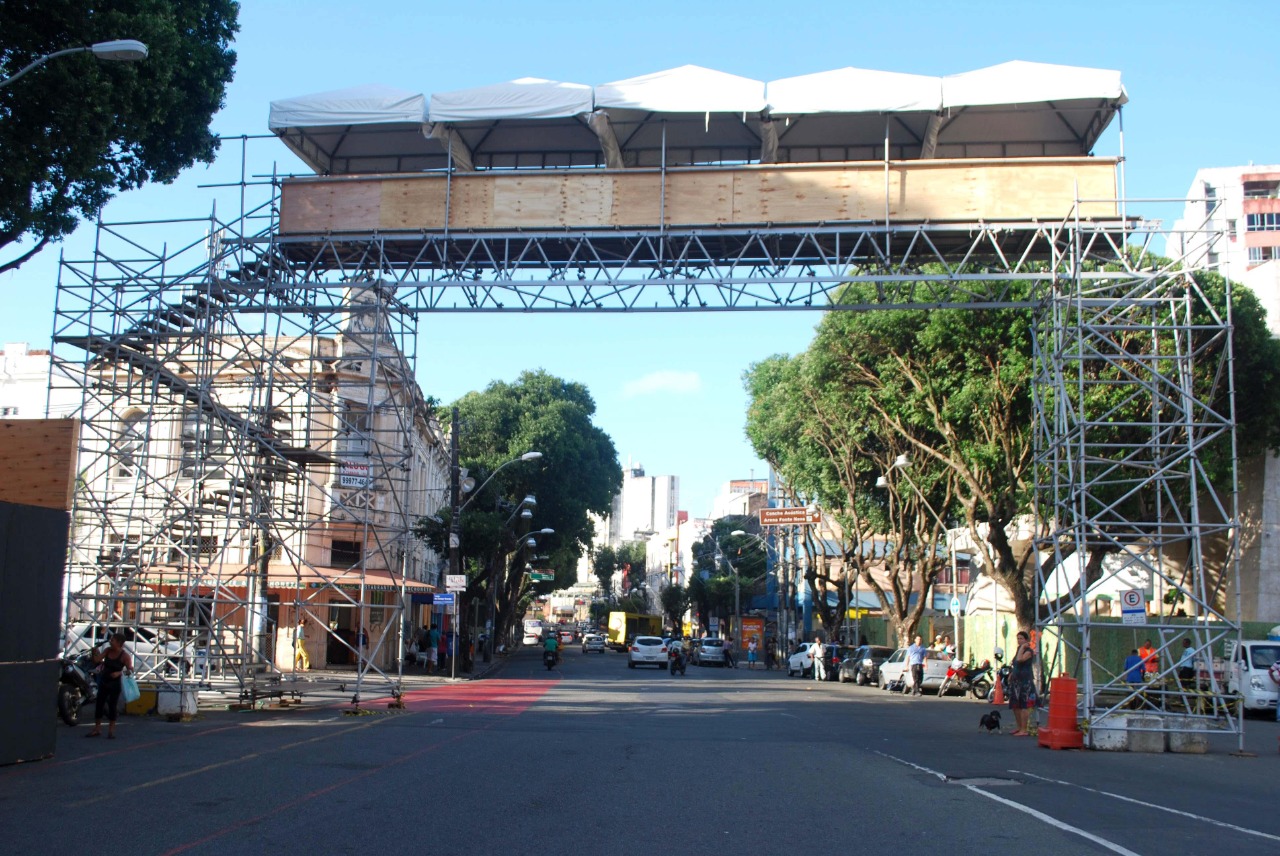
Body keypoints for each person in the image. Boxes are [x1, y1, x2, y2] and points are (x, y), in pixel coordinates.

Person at [87, 632, 133, 739]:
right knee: (99, 704)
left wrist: (119, 673)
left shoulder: (125, 656)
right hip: (104, 680)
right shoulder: (108, 651)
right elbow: (96, 660)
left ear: (119, 643)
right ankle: (97, 728)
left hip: (115, 683)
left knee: (112, 705)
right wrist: (95, 653)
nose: (110, 642)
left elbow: (130, 670)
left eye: (112, 640)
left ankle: (111, 730)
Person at [1008, 630, 1037, 735]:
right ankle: (1019, 727)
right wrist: (1011, 674)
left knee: (1024, 704)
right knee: (1016, 705)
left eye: (1021, 639)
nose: (1019, 641)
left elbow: (1020, 660)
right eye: (1018, 639)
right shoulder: (1018, 649)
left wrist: (1023, 648)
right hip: (1016, 680)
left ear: (1026, 640)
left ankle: (1024, 729)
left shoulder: (1028, 651)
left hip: (1025, 680)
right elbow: (1015, 663)